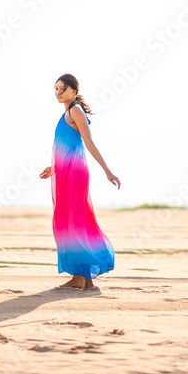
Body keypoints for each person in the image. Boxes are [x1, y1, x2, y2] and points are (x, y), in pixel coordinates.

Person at [39, 74, 121, 291]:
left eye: (62, 89)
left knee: (71, 221)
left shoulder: (75, 110)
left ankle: (78, 278)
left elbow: (88, 142)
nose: (58, 93)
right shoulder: (67, 112)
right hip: (65, 171)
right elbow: (67, 146)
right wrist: (54, 167)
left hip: (74, 174)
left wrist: (107, 170)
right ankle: (87, 280)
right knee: (72, 220)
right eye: (56, 89)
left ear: (74, 90)